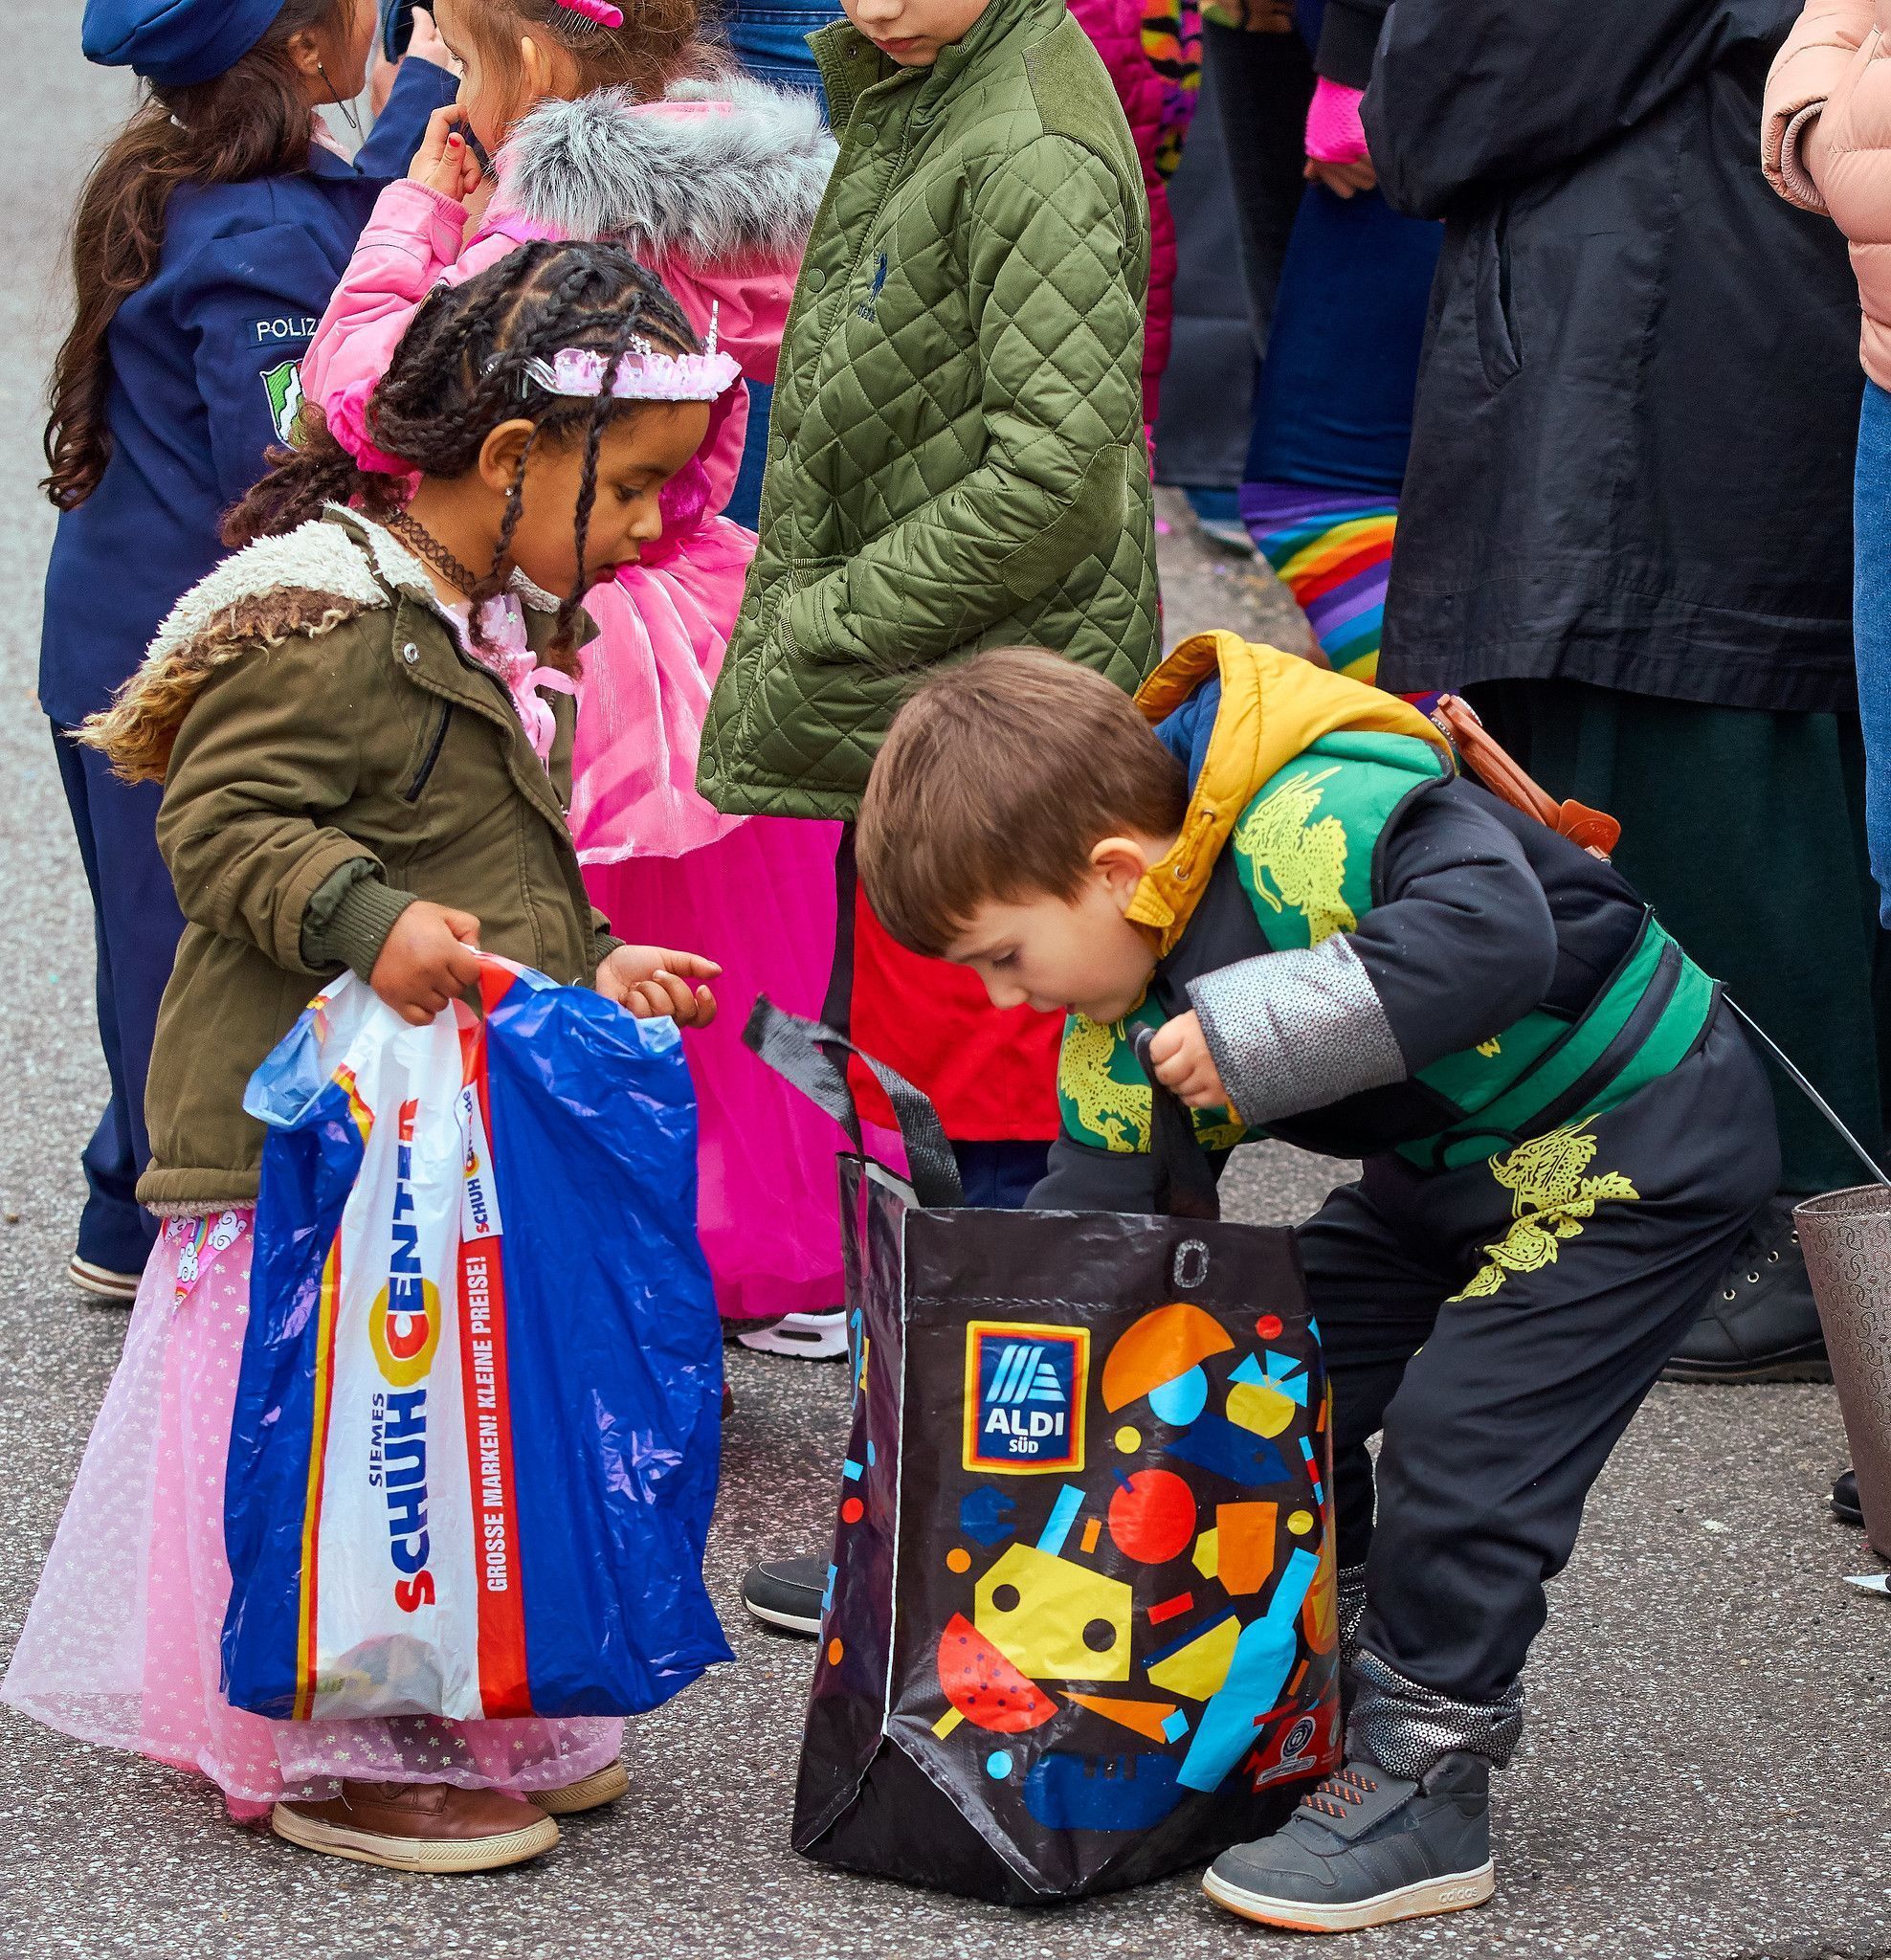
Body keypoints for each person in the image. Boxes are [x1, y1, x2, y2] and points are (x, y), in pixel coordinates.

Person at [854, 640, 1778, 1931]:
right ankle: (1309, 1668)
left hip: (1636, 1148)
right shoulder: (1118, 1020)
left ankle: (1425, 1776)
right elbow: (1084, 1273)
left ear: (1117, 872)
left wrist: (1251, 1031)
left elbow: (1494, 929)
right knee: (1259, 1381)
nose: (1007, 1001)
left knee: (1466, 1436)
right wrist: (934, 1530)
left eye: (1006, 956)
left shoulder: (1313, 815)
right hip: (1443, 1176)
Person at [3, 242, 722, 1873]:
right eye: (633, 492)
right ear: (513, 459)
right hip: (304, 1141)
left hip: (418, 1137)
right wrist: (361, 912)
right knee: (345, 1447)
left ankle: (430, 1699)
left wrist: (582, 960)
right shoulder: (334, 620)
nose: (645, 529)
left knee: (425, 1435)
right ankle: (331, 1743)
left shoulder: (477, 611)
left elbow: (481, 853)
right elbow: (218, 822)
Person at [695, 0, 1162, 1631]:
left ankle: (976, 1557)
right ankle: (946, 1535)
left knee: (1014, 1175)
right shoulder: (925, 77)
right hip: (940, 717)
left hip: (987, 736)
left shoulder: (1023, 135)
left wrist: (834, 617)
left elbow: (1057, 469)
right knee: (940, 1143)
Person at [301, 0, 852, 1337]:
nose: (440, 75)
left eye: (458, 53)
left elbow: (370, 395)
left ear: (538, 62)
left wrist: (415, 222)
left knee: (558, 940)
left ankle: (576, 1252)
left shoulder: (541, 227)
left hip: (568, 635)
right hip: (711, 611)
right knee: (733, 962)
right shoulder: (739, 189)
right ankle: (755, 1245)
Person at [1357, 0, 1877, 1383]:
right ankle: (1737, 1219)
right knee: (1650, 793)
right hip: (1667, 342)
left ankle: (1801, 1233)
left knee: (1720, 794)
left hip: (1687, 358)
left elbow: (1434, 105)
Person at [40, 0, 456, 1303]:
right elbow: (278, 463)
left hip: (109, 639)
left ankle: (122, 1211)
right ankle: (186, 1241)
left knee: (144, 948)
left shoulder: (176, 172)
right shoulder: (269, 224)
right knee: (189, 956)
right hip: (180, 669)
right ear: (302, 51)